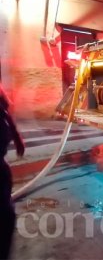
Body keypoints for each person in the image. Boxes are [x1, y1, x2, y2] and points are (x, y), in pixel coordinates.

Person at [0, 87, 25, 260]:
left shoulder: (3, 112)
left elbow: (8, 117)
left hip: (1, 169)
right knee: (6, 216)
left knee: (7, 215)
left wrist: (18, 140)